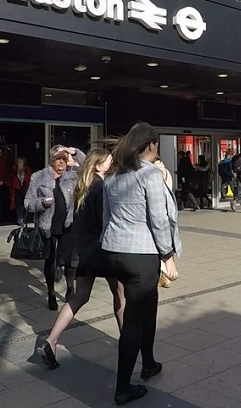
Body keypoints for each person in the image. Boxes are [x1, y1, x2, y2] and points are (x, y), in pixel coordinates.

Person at [101, 122, 181, 406]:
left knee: (148, 304)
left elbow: (106, 217)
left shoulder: (113, 175)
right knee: (135, 318)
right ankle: (123, 386)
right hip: (142, 255)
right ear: (150, 145)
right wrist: (168, 255)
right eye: (156, 145)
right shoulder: (150, 175)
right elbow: (159, 219)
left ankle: (148, 361)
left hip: (113, 250)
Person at [37, 148, 126, 371]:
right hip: (104, 249)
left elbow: (83, 162)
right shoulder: (101, 187)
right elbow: (106, 220)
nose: (112, 162)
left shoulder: (82, 185)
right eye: (109, 160)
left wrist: (73, 151)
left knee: (79, 297)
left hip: (84, 250)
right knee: (120, 294)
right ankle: (128, 341)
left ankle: (51, 340)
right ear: (98, 165)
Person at [25, 146, 85, 311]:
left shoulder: (73, 176)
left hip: (68, 224)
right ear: (52, 160)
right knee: (50, 260)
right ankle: (51, 293)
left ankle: (70, 289)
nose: (62, 162)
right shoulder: (39, 176)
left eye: (64, 159)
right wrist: (42, 203)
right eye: (59, 159)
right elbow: (28, 203)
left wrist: (74, 151)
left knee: (70, 260)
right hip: (48, 226)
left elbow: (87, 165)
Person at [9, 156, 31, 226]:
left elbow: (30, 179)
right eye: (18, 161)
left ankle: (25, 219)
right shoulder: (14, 170)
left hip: (25, 188)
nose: (19, 163)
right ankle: (20, 220)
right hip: (17, 189)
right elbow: (11, 179)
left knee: (25, 204)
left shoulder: (27, 170)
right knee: (18, 205)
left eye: (20, 161)